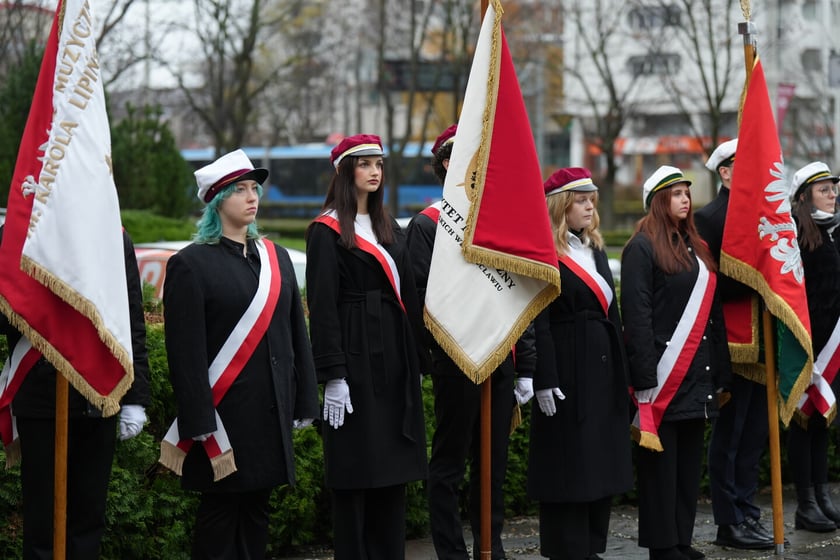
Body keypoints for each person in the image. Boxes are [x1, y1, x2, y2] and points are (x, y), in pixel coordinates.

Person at [160, 149, 319, 559]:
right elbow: (185, 354)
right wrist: (198, 419)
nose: (252, 197)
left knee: (257, 515)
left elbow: (296, 334)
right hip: (224, 420)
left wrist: (305, 400)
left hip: (271, 414)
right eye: (240, 190)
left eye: (254, 189)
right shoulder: (190, 265)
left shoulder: (275, 257)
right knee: (220, 517)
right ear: (216, 201)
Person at [405, 124, 537, 560]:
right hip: (456, 358)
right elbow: (419, 297)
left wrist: (526, 365)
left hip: (499, 359)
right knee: (449, 463)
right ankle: (451, 552)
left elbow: (520, 296)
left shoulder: (499, 221)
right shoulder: (427, 225)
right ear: (449, 163)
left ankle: (490, 547)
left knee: (492, 463)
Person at [305, 134, 428, 559]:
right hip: (355, 360)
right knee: (356, 471)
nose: (375, 171)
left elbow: (409, 296)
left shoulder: (388, 226)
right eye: (364, 164)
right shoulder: (325, 231)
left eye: (378, 163)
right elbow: (322, 307)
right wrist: (333, 375)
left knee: (392, 470)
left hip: (394, 357)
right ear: (345, 172)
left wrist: (418, 359)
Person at [0, 226, 150, 559]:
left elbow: (130, 319)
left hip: (98, 395)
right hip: (40, 397)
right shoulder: (17, 232)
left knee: (88, 519)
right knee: (42, 522)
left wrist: (135, 397)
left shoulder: (113, 234)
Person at [621, 165, 732, 560]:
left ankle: (682, 540)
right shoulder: (641, 247)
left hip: (698, 375)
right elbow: (637, 316)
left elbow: (713, 316)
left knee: (687, 469)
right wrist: (645, 378)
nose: (686, 199)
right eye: (677, 193)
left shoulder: (696, 247)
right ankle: (662, 545)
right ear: (658, 201)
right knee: (660, 471)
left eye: (687, 192)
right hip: (662, 379)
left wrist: (721, 373)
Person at [526, 167, 632, 560]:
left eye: (592, 200)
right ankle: (566, 548)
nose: (590, 207)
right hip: (566, 366)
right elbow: (538, 318)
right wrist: (542, 376)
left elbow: (612, 313)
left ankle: (592, 546)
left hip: (602, 366)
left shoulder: (595, 248)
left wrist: (624, 371)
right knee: (569, 459)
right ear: (561, 206)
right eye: (581, 201)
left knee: (599, 459)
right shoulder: (544, 252)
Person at [695, 139, 775, 550]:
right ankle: (728, 521)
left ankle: (748, 511)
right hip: (730, 342)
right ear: (725, 172)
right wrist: (756, 275)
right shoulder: (708, 218)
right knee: (730, 436)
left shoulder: (766, 215)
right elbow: (710, 283)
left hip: (764, 342)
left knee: (755, 435)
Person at [787, 161, 840, 532]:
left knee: (822, 421)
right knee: (802, 423)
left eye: (833, 189)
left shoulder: (833, 231)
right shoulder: (795, 234)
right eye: (824, 190)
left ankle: (822, 495)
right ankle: (805, 503)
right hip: (806, 344)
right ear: (804, 197)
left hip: (831, 346)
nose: (833, 195)